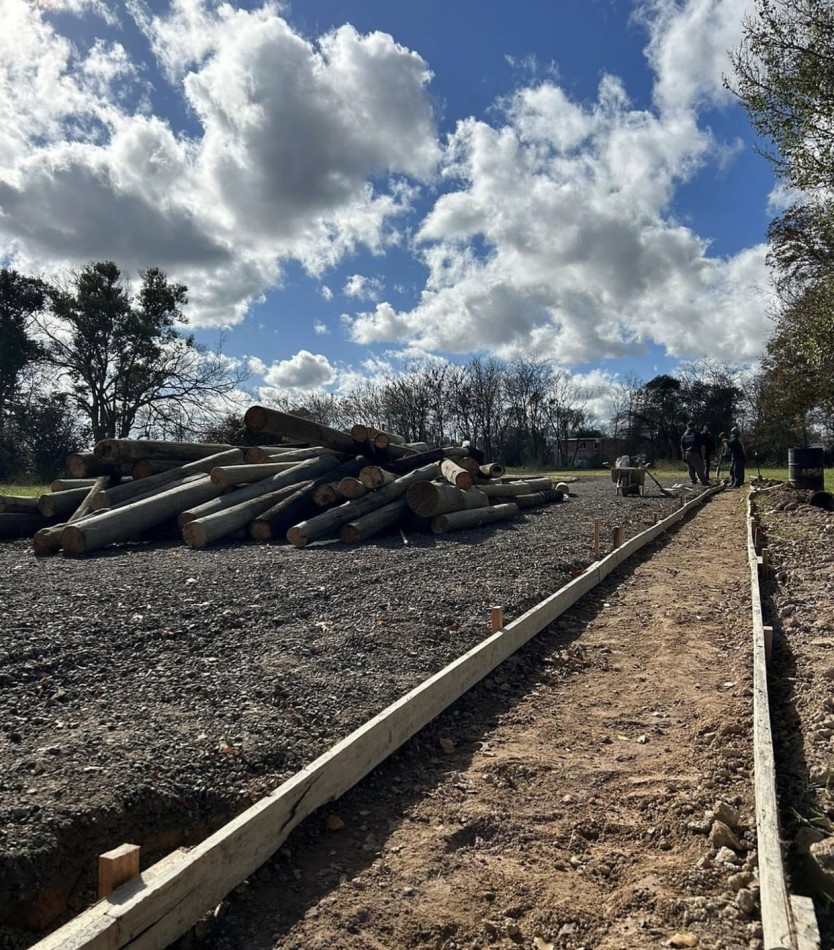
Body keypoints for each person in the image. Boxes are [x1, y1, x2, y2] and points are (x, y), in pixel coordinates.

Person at [680, 421, 709, 486]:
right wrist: (703, 454)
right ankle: (704, 481)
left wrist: (683, 455)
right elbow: (702, 445)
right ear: (694, 426)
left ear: (687, 426)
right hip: (695, 453)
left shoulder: (684, 435)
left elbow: (682, 446)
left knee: (690, 468)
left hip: (687, 453)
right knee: (699, 468)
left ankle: (693, 480)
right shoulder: (696, 433)